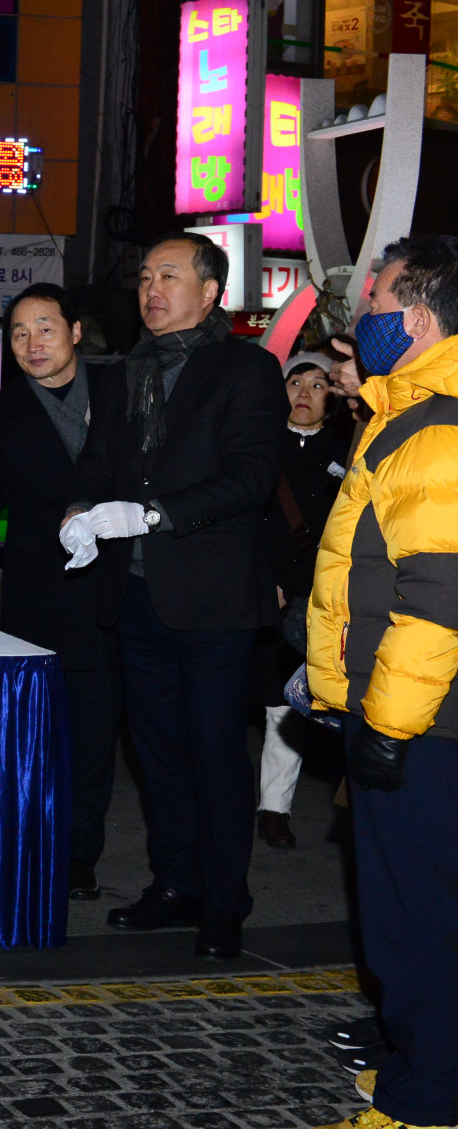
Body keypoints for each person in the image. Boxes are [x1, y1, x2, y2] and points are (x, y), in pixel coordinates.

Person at [61, 233, 286, 962]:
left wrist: (154, 515)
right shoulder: (125, 373)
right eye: (145, 276)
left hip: (213, 600)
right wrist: (79, 515)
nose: (151, 289)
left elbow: (251, 476)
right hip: (135, 596)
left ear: (212, 292)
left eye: (170, 275)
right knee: (157, 752)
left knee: (215, 751)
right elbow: (98, 466)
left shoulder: (246, 368)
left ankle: (224, 902)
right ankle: (175, 882)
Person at [302, 233, 458, 1129]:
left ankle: (428, 1108)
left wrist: (387, 725)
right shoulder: (410, 413)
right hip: (422, 713)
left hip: (425, 722)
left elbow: (436, 596)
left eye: (379, 302)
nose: (363, 318)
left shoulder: (435, 426)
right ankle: (429, 1063)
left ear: (423, 316)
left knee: (413, 917)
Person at [0, 283, 124, 900]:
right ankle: (27, 845)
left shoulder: (121, 390)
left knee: (95, 737)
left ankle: (79, 856)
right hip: (38, 594)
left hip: (116, 589)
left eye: (45, 328)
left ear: (75, 331)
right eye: (19, 333)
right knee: (32, 732)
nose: (32, 344)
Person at [255, 351, 352, 849]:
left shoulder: (348, 451)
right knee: (252, 700)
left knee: (290, 704)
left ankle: (275, 809)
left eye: (319, 385)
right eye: (297, 382)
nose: (306, 394)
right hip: (260, 596)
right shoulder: (257, 447)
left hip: (322, 602)